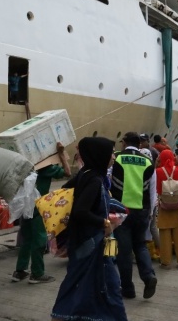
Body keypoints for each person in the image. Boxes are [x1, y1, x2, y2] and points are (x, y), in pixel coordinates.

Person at [51, 137, 127, 321]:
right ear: (99, 155)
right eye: (111, 153)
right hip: (93, 243)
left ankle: (62, 315)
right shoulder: (94, 180)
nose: (113, 157)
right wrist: (104, 222)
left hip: (84, 241)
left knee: (79, 282)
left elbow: (65, 188)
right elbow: (80, 211)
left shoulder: (86, 173)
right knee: (106, 285)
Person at [12, 143, 70, 284]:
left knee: (26, 238)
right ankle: (37, 274)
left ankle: (20, 271)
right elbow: (68, 173)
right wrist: (61, 154)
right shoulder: (45, 167)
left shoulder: (23, 166)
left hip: (24, 206)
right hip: (38, 207)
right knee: (39, 240)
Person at [111, 132, 158, 299]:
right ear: (139, 144)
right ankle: (148, 276)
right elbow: (153, 191)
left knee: (124, 252)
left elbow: (108, 180)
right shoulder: (147, 161)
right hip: (142, 211)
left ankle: (128, 289)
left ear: (124, 143)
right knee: (140, 245)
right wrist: (151, 212)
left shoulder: (116, 158)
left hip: (121, 211)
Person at [156, 149, 178, 270]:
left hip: (164, 205)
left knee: (164, 235)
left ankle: (165, 262)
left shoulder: (158, 171)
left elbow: (156, 187)